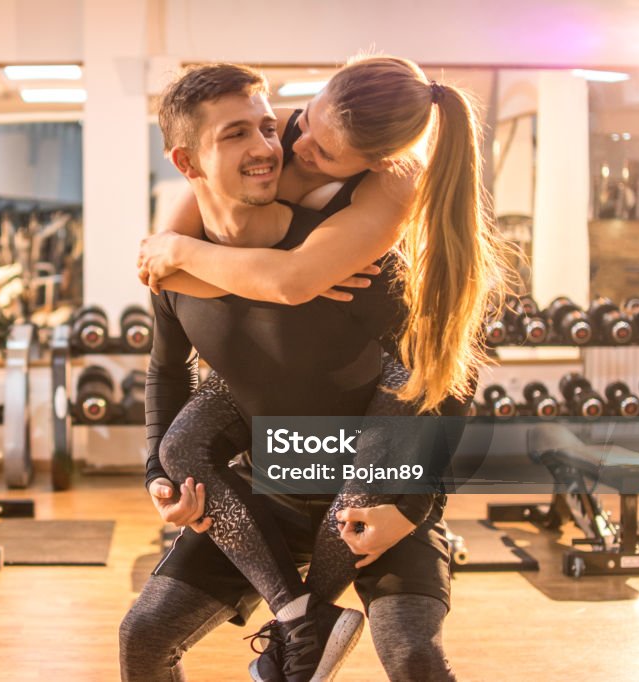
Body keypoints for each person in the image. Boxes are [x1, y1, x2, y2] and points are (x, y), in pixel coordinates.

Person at [122, 58, 513, 682]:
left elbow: (441, 373)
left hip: (377, 482)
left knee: (413, 654)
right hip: (268, 495)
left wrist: (412, 504)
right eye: (293, 123)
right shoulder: (193, 246)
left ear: (373, 163)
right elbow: (168, 367)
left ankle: (306, 619)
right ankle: (302, 617)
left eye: (274, 131)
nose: (286, 149)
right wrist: (157, 478)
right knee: (142, 636)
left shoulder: (357, 251)